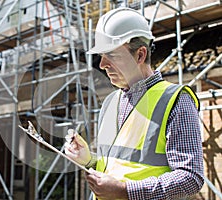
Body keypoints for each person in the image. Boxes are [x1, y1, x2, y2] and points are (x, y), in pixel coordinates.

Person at [64, 7, 204, 199]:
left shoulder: (176, 100)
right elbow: (117, 166)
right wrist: (88, 160)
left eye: (111, 55)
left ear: (140, 55)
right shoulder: (110, 103)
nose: (102, 65)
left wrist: (126, 191)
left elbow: (190, 177)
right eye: (102, 56)